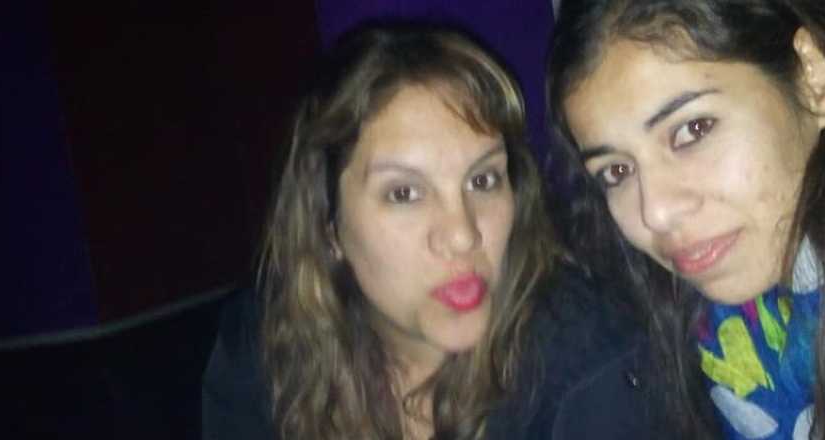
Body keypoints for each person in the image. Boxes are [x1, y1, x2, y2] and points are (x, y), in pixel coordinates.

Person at [547, 0, 825, 438]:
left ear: (815, 76)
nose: (655, 213)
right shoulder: (689, 324)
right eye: (616, 171)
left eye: (693, 129)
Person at [202, 23, 644, 440]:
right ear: (328, 228)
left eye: (483, 180)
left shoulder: (590, 372)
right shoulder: (265, 345)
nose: (462, 235)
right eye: (404, 193)